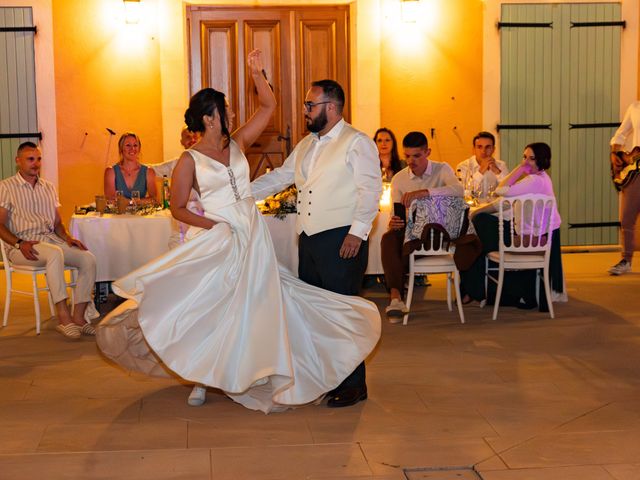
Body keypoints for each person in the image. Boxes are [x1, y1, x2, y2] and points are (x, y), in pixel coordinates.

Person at [95, 51, 381, 414]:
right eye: (225, 110)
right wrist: (221, 217)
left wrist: (257, 73)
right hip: (231, 236)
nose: (230, 114)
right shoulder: (193, 159)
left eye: (311, 104)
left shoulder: (249, 144)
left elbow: (269, 108)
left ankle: (332, 380)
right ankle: (209, 373)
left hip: (277, 235)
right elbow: (185, 204)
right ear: (209, 118)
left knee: (285, 305)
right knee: (220, 306)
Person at [251, 79, 382, 408]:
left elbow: (370, 190)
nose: (305, 111)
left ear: (332, 108)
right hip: (309, 239)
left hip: (342, 238)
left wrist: (358, 232)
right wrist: (239, 194)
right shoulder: (307, 144)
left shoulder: (357, 142)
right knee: (316, 314)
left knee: (341, 312)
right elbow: (281, 176)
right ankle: (327, 376)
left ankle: (354, 385)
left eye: (311, 105)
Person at [0, 142, 97, 339]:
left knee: (88, 258)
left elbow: (57, 224)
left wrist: (69, 239)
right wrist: (19, 243)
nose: (36, 164)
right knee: (55, 254)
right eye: (30, 159)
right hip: (22, 247)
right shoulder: (6, 187)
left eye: (38, 159)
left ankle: (78, 317)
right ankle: (63, 318)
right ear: (18, 161)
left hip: (50, 241)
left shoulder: (48, 187)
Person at [460, 142, 563, 308]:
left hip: (530, 240)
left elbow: (501, 190)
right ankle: (481, 283)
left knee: (479, 228)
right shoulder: (541, 179)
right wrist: (478, 213)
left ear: (542, 160)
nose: (526, 162)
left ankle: (479, 285)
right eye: (524, 157)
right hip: (535, 235)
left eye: (531, 158)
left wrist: (520, 168)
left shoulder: (534, 180)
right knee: (481, 223)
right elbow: (505, 202)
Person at [381, 132, 464, 322]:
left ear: (428, 152)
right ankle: (395, 298)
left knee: (397, 249)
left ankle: (398, 295)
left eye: (417, 156)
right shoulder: (399, 179)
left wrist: (425, 192)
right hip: (411, 232)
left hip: (438, 233)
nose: (411, 161)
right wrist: (393, 221)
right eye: (407, 156)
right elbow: (395, 211)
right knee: (388, 238)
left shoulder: (442, 169)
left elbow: (459, 191)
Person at [151, 127, 204, 248]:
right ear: (182, 142)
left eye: (194, 136)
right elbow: (152, 169)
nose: (192, 140)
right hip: (181, 220)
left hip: (203, 220)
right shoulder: (176, 164)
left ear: (200, 137)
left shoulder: (209, 162)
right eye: (187, 137)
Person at [609, 101, 640, 275]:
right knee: (627, 217)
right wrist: (615, 153)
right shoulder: (635, 108)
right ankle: (626, 259)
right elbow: (620, 135)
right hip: (636, 171)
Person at [104, 132, 158, 203]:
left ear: (139, 149)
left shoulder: (149, 172)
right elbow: (110, 199)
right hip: (118, 214)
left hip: (141, 214)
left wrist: (129, 202)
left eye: (135, 145)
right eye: (128, 145)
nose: (132, 148)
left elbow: (154, 199)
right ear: (121, 149)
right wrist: (137, 202)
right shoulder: (110, 171)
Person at [456, 131, 508, 199]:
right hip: (472, 208)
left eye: (488, 147)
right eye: (479, 147)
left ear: (493, 149)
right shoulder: (463, 167)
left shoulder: (501, 165)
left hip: (494, 208)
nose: (483, 151)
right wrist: (480, 171)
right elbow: (463, 193)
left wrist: (497, 172)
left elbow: (507, 191)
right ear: (474, 149)